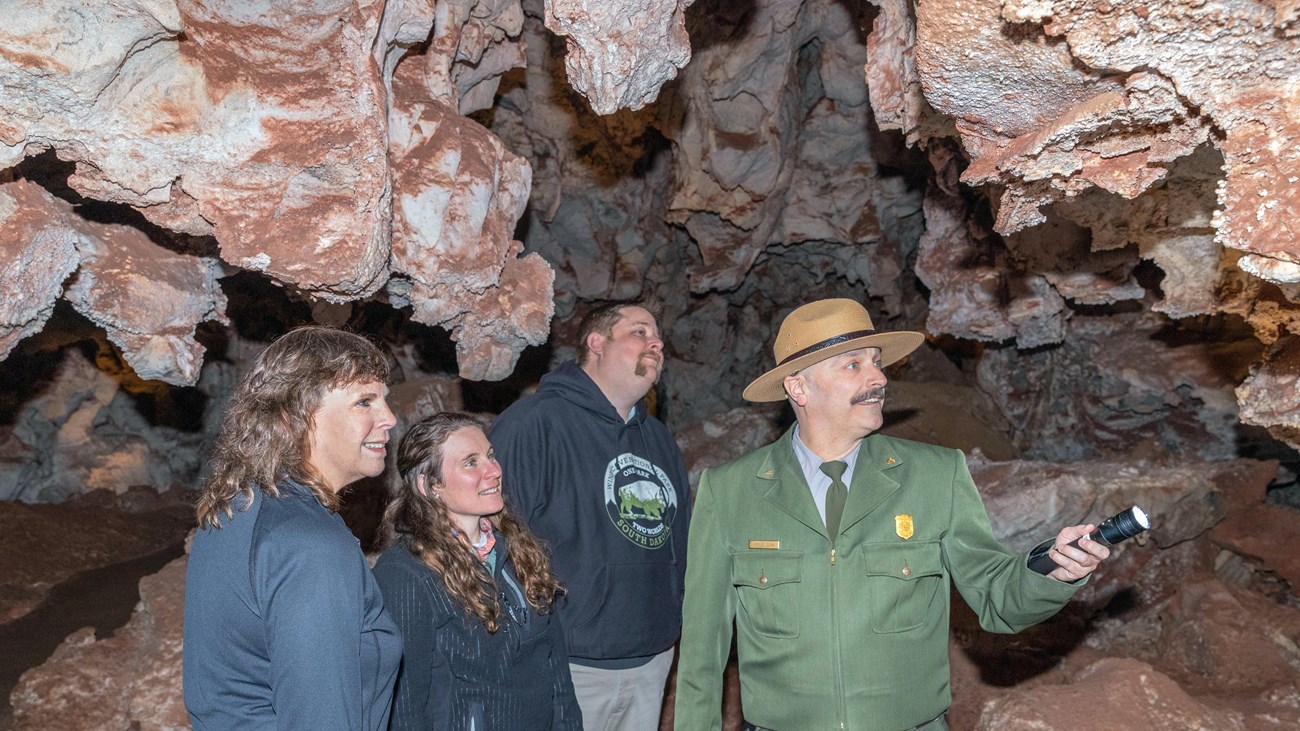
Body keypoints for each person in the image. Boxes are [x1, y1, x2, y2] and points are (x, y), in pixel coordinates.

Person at [674, 298, 1111, 731]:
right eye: (853, 365)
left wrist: (1053, 572)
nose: (879, 378)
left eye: (877, 362)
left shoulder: (935, 476)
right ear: (799, 388)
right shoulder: (730, 491)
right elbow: (702, 648)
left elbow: (997, 598)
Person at [183, 326, 402, 731]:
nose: (388, 418)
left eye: (384, 400)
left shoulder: (237, 506)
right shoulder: (311, 545)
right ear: (300, 415)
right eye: (364, 402)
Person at [488, 301, 691, 731]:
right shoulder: (534, 423)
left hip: (651, 661)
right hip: (568, 665)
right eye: (640, 332)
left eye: (658, 336)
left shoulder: (658, 440)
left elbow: (679, 542)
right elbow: (493, 536)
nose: (656, 342)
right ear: (596, 343)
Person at [372, 412, 582, 731]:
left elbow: (558, 674)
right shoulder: (406, 573)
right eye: (471, 462)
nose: (494, 471)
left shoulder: (519, 551)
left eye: (491, 456)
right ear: (429, 485)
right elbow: (404, 705)